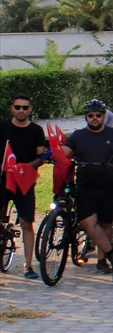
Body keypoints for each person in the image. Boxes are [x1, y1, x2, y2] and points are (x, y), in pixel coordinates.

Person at [62, 99, 113, 275]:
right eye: (90, 116)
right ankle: (111, 252)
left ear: (103, 116)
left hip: (110, 186)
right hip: (86, 187)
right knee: (87, 223)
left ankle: (102, 260)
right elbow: (63, 153)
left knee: (105, 223)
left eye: (98, 115)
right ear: (86, 117)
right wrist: (51, 154)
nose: (94, 118)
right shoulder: (77, 136)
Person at [0, 93, 47, 279]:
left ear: (30, 110)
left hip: (24, 181)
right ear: (11, 108)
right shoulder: (2, 127)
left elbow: (42, 155)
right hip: (3, 179)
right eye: (17, 107)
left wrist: (27, 167)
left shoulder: (36, 130)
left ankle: (28, 266)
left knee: (27, 223)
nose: (21, 111)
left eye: (24, 108)